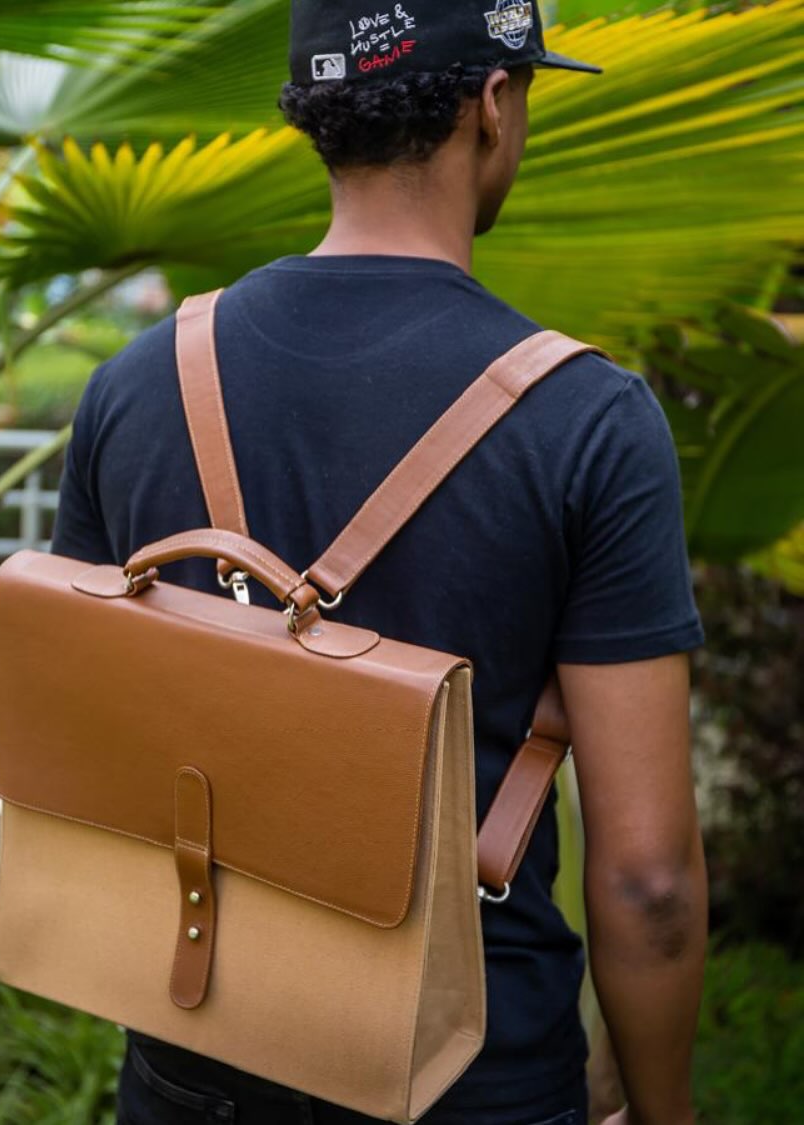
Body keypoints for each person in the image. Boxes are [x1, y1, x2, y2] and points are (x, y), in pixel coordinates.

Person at [50, 1, 708, 1123]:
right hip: (474, 1072)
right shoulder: (589, 420)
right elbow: (649, 881)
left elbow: (88, 751)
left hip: (193, 1055)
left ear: (317, 114)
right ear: (491, 106)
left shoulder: (135, 384)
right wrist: (664, 1110)